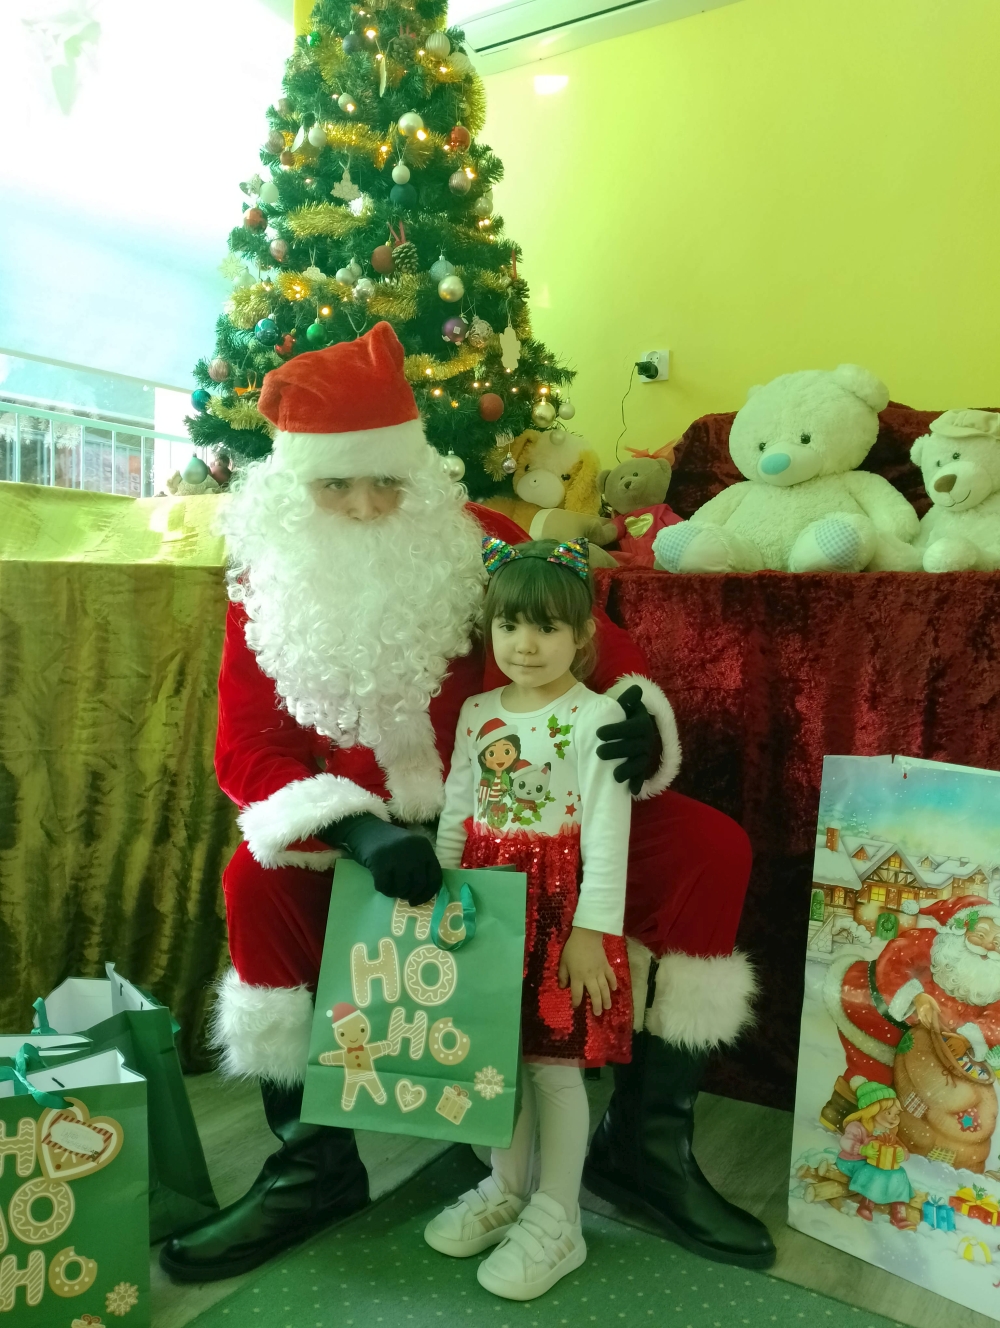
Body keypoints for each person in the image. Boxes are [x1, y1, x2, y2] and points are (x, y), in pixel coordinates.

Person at [159, 323, 773, 1284]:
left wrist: (636, 716)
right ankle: (313, 1170)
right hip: (366, 839)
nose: (366, 506)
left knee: (708, 847)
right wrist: (353, 827)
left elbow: (594, 642)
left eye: (387, 481)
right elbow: (245, 748)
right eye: (335, 485)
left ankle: (646, 1149)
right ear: (291, 489)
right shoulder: (265, 587)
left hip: (525, 811)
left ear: (419, 471)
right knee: (256, 883)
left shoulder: (484, 542)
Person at [425, 536, 633, 1299]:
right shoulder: (478, 712)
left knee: (554, 1065)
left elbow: (608, 833)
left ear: (581, 635)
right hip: (486, 903)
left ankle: (558, 1214)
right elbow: (457, 809)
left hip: (558, 909)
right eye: (510, 625)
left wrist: (590, 932)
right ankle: (507, 1187)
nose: (525, 643)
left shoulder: (595, 715)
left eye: (546, 627)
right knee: (497, 1057)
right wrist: (442, 898)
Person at [822, 896, 1000, 1131]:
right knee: (871, 1069)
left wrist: (968, 1038)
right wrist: (915, 996)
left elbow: (995, 1020)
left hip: (931, 1044)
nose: (988, 946)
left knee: (914, 1083)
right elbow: (894, 960)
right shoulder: (934, 943)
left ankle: (887, 1126)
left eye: (997, 941)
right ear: (962, 927)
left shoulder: (994, 982)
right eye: (980, 934)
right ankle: (841, 1112)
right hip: (881, 1015)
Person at [837, 1082, 914, 1230]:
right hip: (852, 1161)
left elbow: (901, 1147)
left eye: (896, 1114)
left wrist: (901, 1154)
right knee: (874, 1171)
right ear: (873, 1109)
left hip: (875, 1165)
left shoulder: (888, 1132)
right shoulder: (857, 1127)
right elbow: (845, 1141)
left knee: (900, 1172)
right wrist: (862, 1149)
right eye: (888, 1113)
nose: (893, 1118)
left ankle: (899, 1214)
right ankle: (866, 1205)